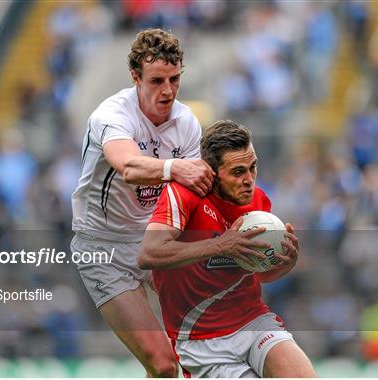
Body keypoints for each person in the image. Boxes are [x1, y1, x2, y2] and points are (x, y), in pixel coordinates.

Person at [70, 28, 214, 377]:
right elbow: (130, 167)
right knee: (163, 365)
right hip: (103, 249)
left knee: (210, 340)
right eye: (157, 80)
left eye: (175, 78)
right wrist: (175, 168)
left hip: (154, 241)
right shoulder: (112, 115)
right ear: (135, 77)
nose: (167, 90)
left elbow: (191, 195)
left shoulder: (187, 122)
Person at [138, 120, 316, 378]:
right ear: (212, 172)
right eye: (237, 172)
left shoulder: (258, 202)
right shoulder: (183, 194)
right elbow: (149, 254)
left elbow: (257, 272)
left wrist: (283, 264)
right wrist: (221, 245)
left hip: (253, 321)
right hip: (202, 340)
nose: (249, 180)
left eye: (253, 167)